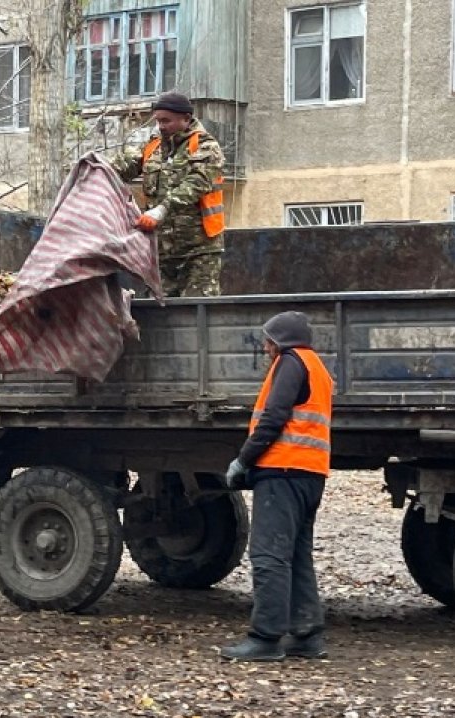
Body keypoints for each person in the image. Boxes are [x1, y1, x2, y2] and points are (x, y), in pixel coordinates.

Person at [221, 311, 333, 662]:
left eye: (269, 340)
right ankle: (307, 636)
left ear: (280, 342)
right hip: (309, 473)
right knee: (297, 556)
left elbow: (274, 417)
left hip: (282, 469)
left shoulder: (290, 362)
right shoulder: (316, 366)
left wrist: (244, 460)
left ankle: (266, 638)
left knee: (269, 555)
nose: (266, 347)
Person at [111, 91, 227, 297]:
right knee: (161, 317)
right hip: (161, 253)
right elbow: (123, 166)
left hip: (199, 252)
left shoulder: (205, 146)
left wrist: (161, 210)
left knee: (196, 313)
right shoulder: (153, 146)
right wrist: (95, 167)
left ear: (186, 119)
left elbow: (197, 183)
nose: (161, 126)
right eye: (158, 121)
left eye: (166, 121)